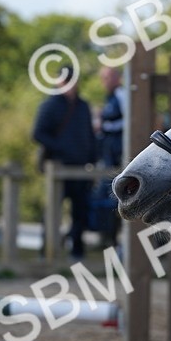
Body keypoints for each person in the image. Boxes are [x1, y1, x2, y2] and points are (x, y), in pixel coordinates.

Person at [32, 66, 96, 260]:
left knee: (80, 211)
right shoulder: (50, 105)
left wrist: (92, 159)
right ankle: (47, 250)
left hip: (80, 168)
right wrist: (62, 148)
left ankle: (77, 250)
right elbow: (38, 133)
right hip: (58, 166)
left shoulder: (83, 106)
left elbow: (89, 135)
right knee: (52, 211)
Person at [91, 65, 128, 247]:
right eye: (103, 78)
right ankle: (107, 237)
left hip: (119, 155)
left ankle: (114, 239)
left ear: (117, 78)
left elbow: (129, 120)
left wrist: (102, 125)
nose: (104, 82)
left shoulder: (121, 95)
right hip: (108, 157)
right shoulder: (110, 98)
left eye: (108, 77)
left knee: (117, 196)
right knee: (106, 197)